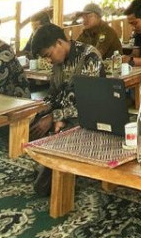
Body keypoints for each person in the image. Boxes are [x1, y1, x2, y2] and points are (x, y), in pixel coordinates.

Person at [30, 23, 103, 195]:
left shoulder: (89, 57)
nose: (49, 60)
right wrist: (41, 110)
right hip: (64, 117)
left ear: (59, 43)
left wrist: (55, 117)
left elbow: (88, 104)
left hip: (88, 119)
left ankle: (58, 168)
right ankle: (46, 163)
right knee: (31, 123)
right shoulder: (59, 61)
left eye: (48, 55)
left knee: (42, 188)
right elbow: (54, 94)